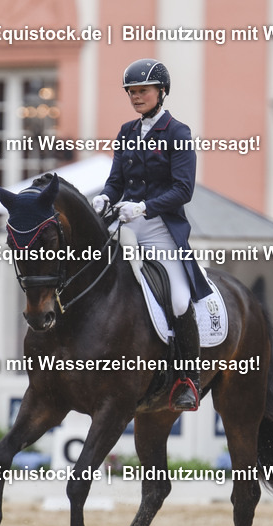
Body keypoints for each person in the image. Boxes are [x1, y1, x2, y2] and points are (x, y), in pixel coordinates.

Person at [91, 58, 210, 411]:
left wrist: (145, 207)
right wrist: (104, 197)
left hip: (160, 230)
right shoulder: (127, 132)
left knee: (176, 300)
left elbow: (183, 189)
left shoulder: (178, 132)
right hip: (124, 224)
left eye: (142, 90)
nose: (136, 96)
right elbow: (115, 182)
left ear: (161, 91)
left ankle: (189, 378)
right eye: (131, 91)